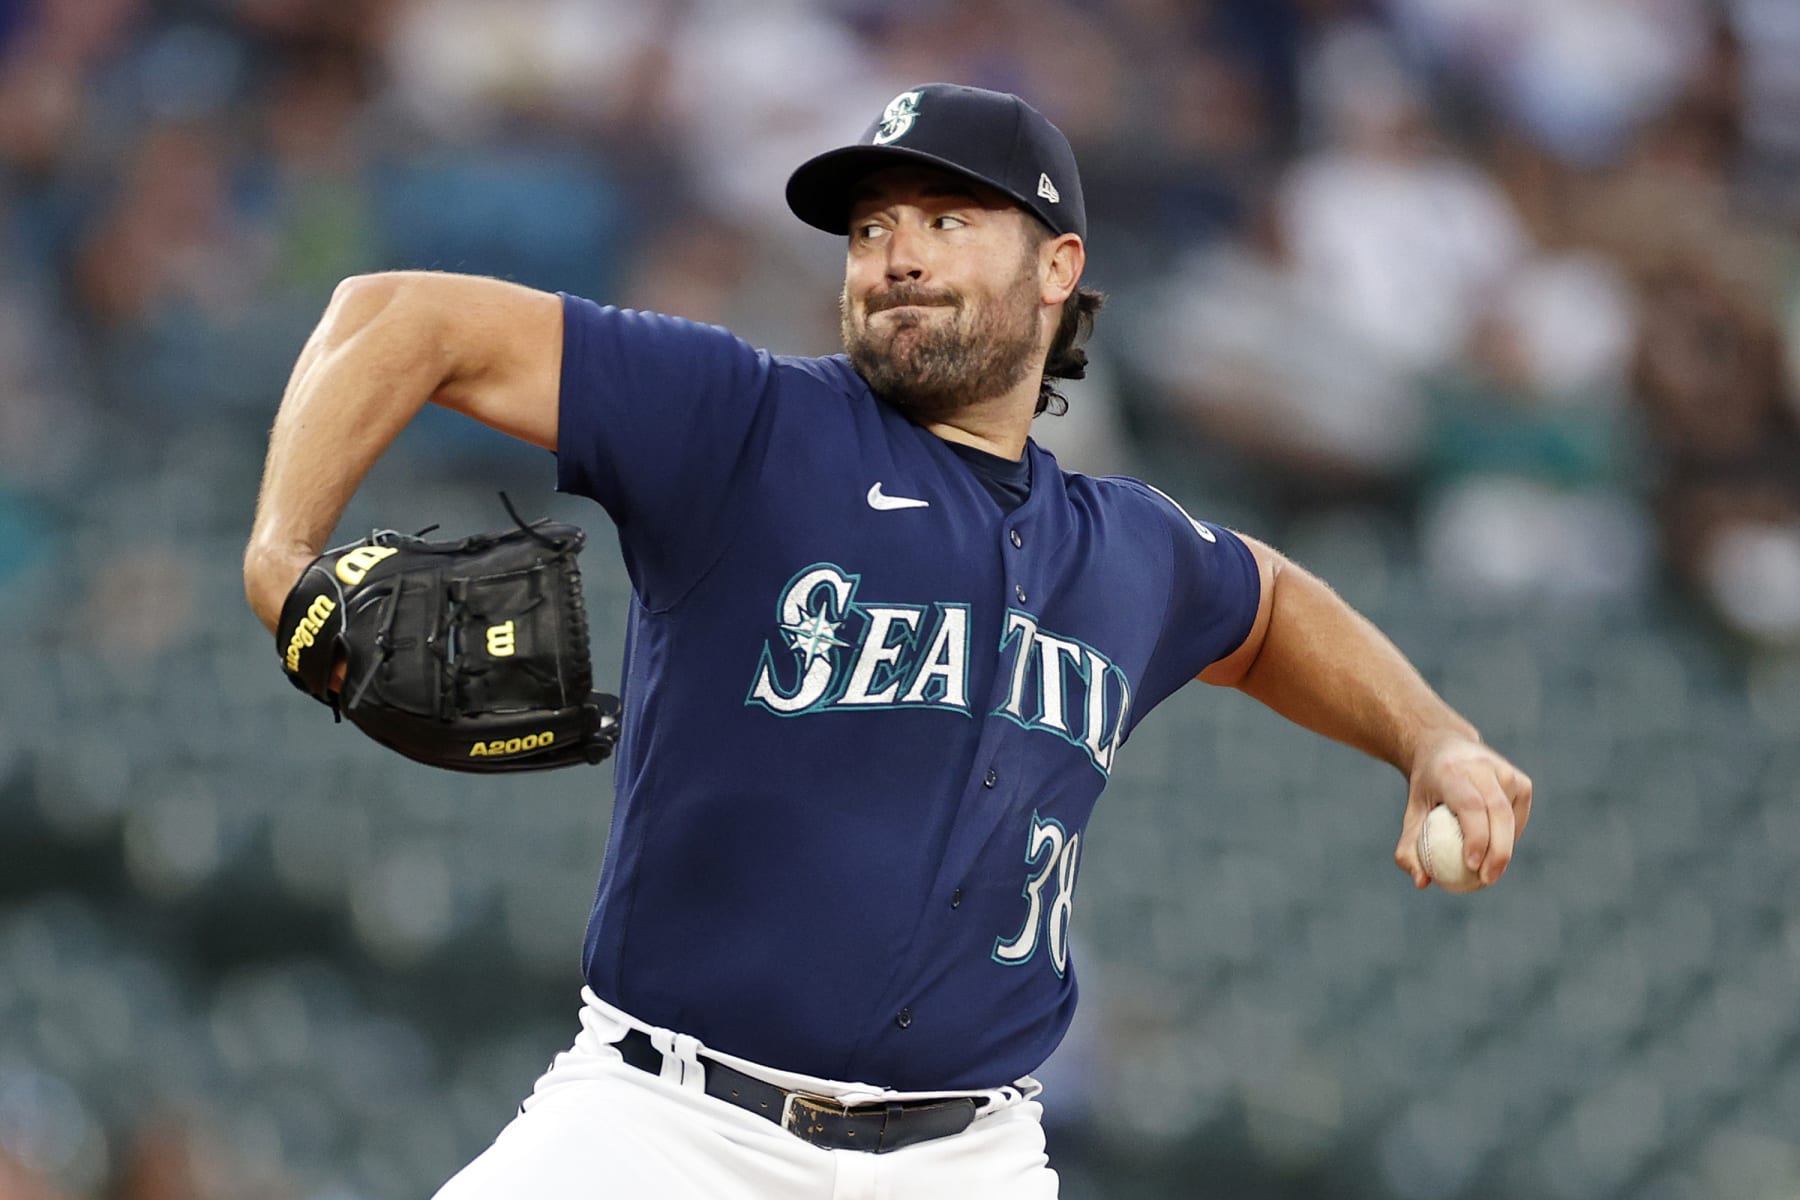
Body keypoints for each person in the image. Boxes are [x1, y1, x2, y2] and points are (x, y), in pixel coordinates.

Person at [243, 84, 1532, 1199]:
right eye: (871, 228)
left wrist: (1434, 738)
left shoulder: (1131, 550)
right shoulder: (746, 426)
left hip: (965, 1161)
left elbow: (1271, 611)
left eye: (947, 220)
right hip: (666, 1130)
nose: (895, 253)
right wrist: (282, 556)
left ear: (1058, 266)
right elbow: (400, 315)